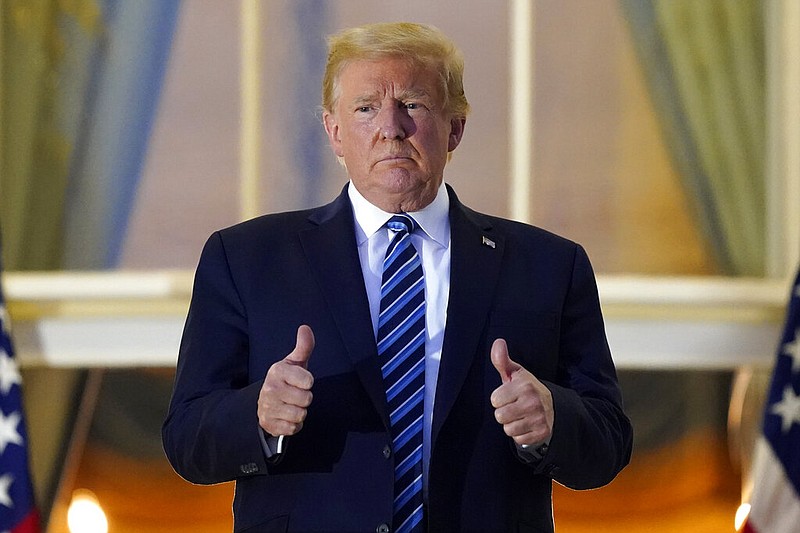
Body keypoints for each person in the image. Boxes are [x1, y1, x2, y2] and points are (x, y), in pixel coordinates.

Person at [162, 21, 632, 533]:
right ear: (334, 132)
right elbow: (186, 437)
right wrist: (256, 414)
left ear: (455, 127)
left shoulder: (547, 267)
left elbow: (608, 441)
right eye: (366, 108)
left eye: (413, 104)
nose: (391, 127)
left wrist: (552, 420)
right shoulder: (246, 259)